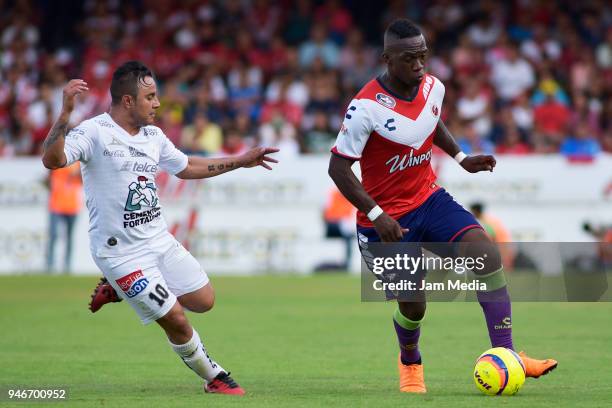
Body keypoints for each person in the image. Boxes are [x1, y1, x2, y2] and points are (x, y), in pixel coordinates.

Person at [327, 19, 557, 393]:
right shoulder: (364, 108)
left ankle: (508, 354)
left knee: (486, 253)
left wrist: (461, 157)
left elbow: (430, 123)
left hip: (428, 200)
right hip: (384, 223)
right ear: (387, 59)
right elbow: (338, 168)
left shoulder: (433, 86)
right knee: (414, 306)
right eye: (409, 59)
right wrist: (376, 214)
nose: (419, 65)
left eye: (423, 56)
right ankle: (410, 362)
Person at [41, 61, 279, 396]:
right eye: (150, 97)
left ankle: (117, 289)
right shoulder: (94, 132)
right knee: (176, 319)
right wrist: (65, 113)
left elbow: (187, 166)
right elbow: (53, 161)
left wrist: (241, 160)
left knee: (204, 300)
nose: (157, 104)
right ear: (127, 101)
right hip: (120, 252)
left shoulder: (153, 135)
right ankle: (215, 377)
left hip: (157, 239)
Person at [46, 162, 83, 273]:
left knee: (69, 237)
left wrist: (78, 173)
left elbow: (84, 179)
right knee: (53, 235)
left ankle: (67, 266)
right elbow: (48, 179)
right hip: (56, 205)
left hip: (72, 206)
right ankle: (50, 265)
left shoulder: (78, 164)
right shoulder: (56, 162)